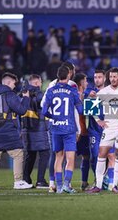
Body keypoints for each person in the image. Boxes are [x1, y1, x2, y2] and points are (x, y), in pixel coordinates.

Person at [0, 72, 33, 190]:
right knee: (18, 154)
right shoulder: (9, 95)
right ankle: (18, 181)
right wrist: (26, 98)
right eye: (13, 83)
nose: (14, 86)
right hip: (7, 131)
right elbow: (21, 110)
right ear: (8, 82)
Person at [87, 67, 118, 193]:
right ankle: (98, 185)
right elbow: (90, 106)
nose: (112, 79)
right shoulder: (104, 92)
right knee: (101, 154)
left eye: (114, 77)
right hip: (109, 128)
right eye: (110, 77)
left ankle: (114, 185)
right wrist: (98, 120)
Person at [41, 66, 83, 194]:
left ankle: (58, 187)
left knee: (58, 158)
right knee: (70, 158)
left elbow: (43, 111)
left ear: (58, 76)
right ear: (69, 76)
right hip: (69, 128)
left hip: (56, 128)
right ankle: (66, 184)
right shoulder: (72, 90)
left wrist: (53, 116)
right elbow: (80, 110)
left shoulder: (50, 90)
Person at [84, 70, 116, 189]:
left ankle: (109, 180)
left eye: (99, 77)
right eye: (95, 77)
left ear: (104, 78)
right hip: (94, 130)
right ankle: (98, 179)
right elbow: (85, 110)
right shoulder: (89, 92)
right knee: (95, 156)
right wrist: (88, 98)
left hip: (108, 129)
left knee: (111, 156)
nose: (97, 79)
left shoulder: (109, 92)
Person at [21, 74, 50, 189]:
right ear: (38, 83)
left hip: (26, 130)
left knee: (30, 155)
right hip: (39, 129)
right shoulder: (39, 94)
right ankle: (40, 181)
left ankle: (26, 179)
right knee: (45, 153)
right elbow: (42, 102)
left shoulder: (23, 94)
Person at [74, 73, 91, 190]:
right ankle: (66, 183)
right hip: (79, 131)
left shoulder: (82, 95)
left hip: (81, 131)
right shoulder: (78, 96)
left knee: (86, 156)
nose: (87, 83)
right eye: (85, 81)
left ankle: (84, 182)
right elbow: (84, 112)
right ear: (81, 83)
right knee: (74, 157)